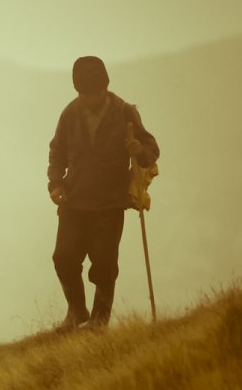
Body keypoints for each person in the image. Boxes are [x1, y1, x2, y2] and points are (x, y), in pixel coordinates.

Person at [46, 55, 160, 331]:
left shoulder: (124, 112)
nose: (92, 99)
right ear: (78, 91)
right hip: (75, 201)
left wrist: (140, 151)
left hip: (110, 202)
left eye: (97, 92)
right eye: (86, 94)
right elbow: (57, 154)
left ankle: (100, 319)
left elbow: (151, 148)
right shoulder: (70, 114)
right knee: (63, 258)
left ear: (105, 87)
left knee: (105, 263)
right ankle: (76, 311)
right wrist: (56, 183)